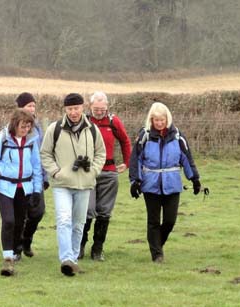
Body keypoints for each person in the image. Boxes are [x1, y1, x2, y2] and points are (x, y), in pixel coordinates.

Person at [40, 93, 106, 276]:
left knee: (78, 224)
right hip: (62, 184)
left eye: (76, 108)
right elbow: (45, 153)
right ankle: (66, 259)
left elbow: (101, 153)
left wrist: (93, 171)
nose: (73, 112)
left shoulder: (92, 129)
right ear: (65, 110)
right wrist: (55, 172)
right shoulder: (54, 129)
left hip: (84, 184)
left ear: (82, 108)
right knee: (63, 220)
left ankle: (74, 259)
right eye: (70, 109)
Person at [129, 102, 202, 263]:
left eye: (162, 120)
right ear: (152, 120)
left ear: (167, 119)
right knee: (153, 221)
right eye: (156, 120)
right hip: (150, 184)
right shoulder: (144, 137)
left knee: (170, 220)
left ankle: (156, 244)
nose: (159, 123)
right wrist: (135, 181)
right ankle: (157, 255)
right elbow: (136, 160)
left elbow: (186, 158)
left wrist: (194, 179)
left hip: (172, 183)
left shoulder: (177, 136)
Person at [0, 109, 43, 276]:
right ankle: (7, 256)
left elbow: (37, 167)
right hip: (5, 187)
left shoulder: (31, 141)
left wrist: (37, 191)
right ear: (15, 124)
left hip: (25, 187)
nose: (25, 130)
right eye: (23, 126)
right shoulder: (2, 139)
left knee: (19, 222)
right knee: (8, 220)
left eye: (28, 126)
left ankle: (16, 251)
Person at [80, 91, 131, 261]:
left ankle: (97, 249)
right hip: (88, 172)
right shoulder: (83, 121)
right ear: (90, 106)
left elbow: (125, 141)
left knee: (104, 212)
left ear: (107, 107)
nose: (99, 111)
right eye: (96, 108)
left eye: (102, 108)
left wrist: (127, 162)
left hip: (109, 172)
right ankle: (79, 247)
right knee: (87, 210)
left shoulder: (113, 121)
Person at [14, 92, 48, 260]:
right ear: (20, 108)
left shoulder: (38, 128)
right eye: (28, 106)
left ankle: (27, 239)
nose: (32, 109)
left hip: (36, 177)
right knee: (20, 214)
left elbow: (43, 154)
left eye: (34, 105)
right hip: (18, 178)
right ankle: (17, 247)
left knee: (38, 212)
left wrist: (45, 177)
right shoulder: (12, 129)